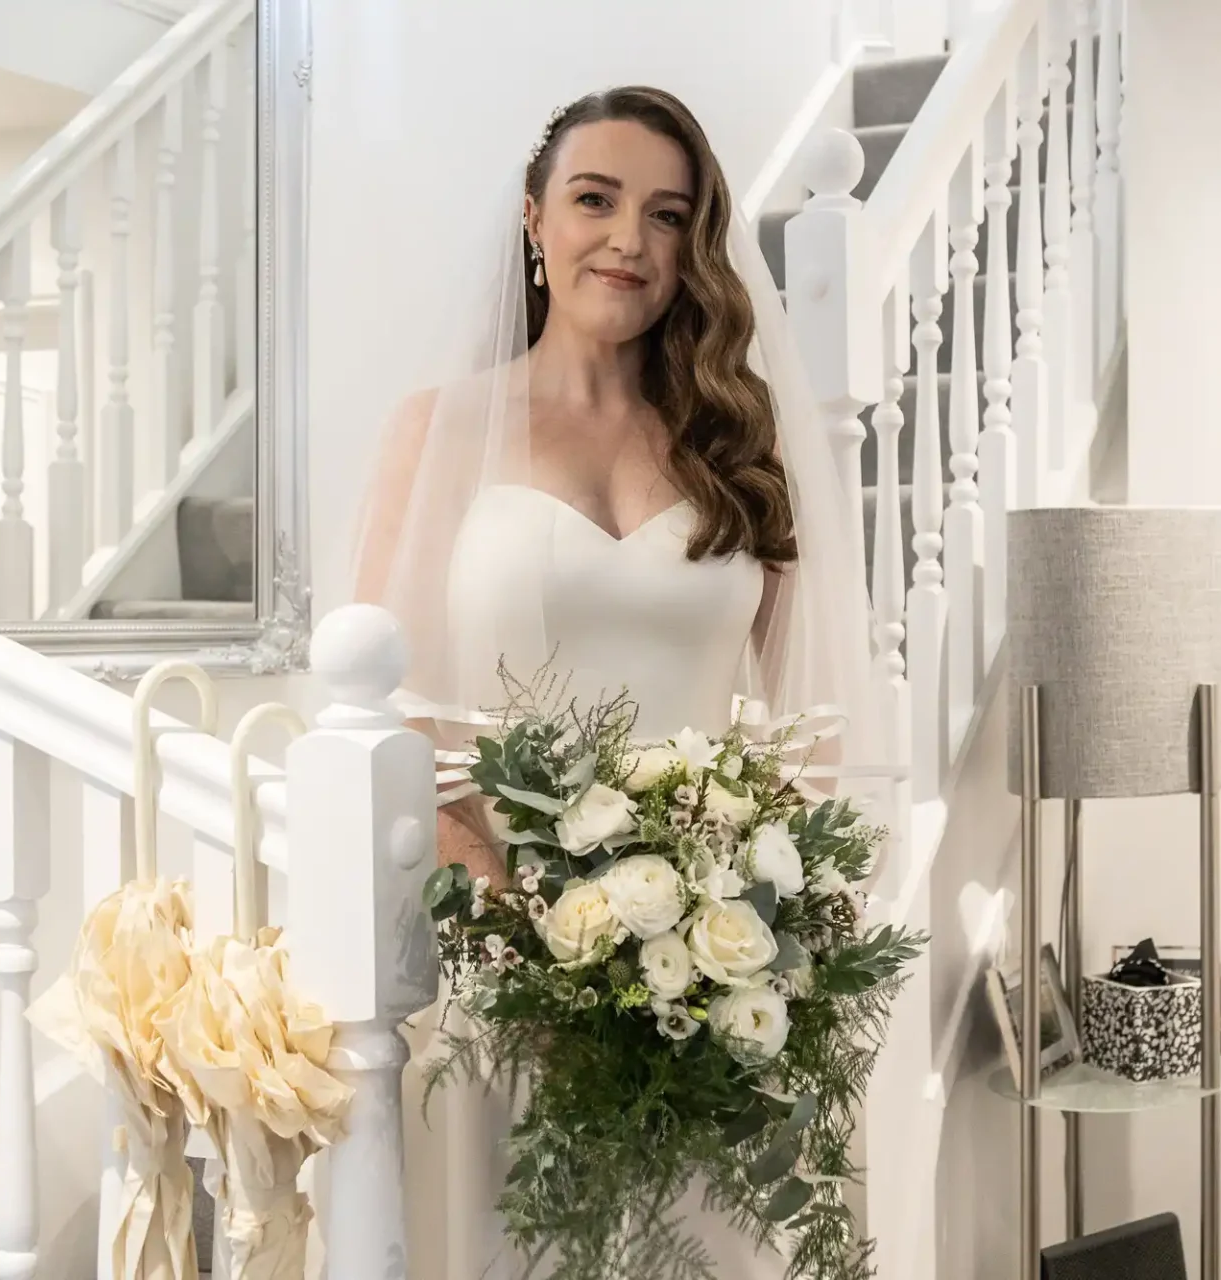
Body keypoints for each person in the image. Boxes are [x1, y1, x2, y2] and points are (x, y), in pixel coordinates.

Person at [350, 85, 888, 1279]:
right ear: (535, 221)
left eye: (667, 214)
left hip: (723, 976)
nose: (630, 240)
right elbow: (391, 717)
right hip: (506, 975)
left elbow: (809, 722)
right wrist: (518, 933)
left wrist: (770, 925)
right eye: (595, 200)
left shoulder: (737, 442)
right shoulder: (439, 429)